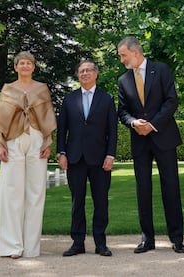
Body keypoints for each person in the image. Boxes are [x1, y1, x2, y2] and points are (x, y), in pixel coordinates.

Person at [117, 37, 184, 254]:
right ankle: (147, 240)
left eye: (123, 55)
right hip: (139, 141)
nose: (121, 59)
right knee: (143, 190)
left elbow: (171, 101)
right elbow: (122, 111)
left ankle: (177, 239)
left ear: (135, 52)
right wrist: (134, 122)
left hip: (163, 137)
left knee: (171, 188)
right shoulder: (123, 80)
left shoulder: (162, 69)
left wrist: (153, 125)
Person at [0, 51, 57, 258]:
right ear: (15, 67)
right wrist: (0, 144)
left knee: (36, 192)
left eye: (28, 63)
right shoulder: (8, 89)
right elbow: (1, 119)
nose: (25, 66)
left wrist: (48, 142)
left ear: (33, 67)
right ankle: (12, 246)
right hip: (13, 140)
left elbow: (47, 116)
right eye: (21, 63)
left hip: (37, 140)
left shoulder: (42, 89)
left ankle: (31, 247)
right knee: (11, 192)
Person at [57, 60, 117, 257]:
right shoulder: (69, 99)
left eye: (88, 70)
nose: (84, 73)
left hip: (100, 160)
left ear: (96, 74)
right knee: (77, 202)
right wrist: (61, 152)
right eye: (81, 71)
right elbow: (62, 129)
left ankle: (101, 243)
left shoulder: (107, 99)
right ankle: (77, 243)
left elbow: (112, 131)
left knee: (101, 202)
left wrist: (110, 155)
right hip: (75, 158)